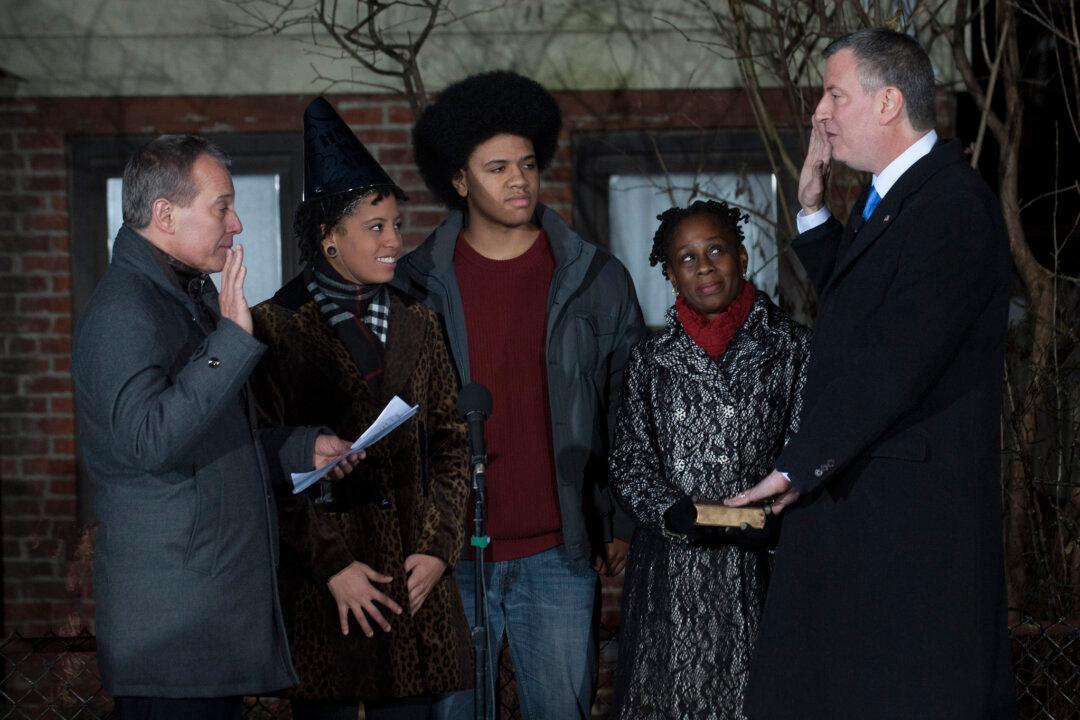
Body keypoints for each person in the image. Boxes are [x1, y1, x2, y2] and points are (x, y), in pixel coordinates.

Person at [727, 28, 1016, 718]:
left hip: (909, 531)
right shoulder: (901, 196)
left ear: (888, 102)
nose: (820, 113)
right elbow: (865, 309)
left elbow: (894, 355)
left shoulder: (950, 205)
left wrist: (798, 466)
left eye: (835, 94)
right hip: (876, 516)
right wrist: (812, 213)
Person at [72, 135, 358, 720]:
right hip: (172, 635)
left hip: (204, 619)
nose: (237, 225)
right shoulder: (125, 310)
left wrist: (304, 447)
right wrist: (230, 341)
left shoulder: (182, 297)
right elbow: (148, 441)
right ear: (165, 214)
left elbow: (211, 436)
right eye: (222, 206)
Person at [395, 70, 646, 719]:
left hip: (556, 551)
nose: (518, 181)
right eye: (497, 167)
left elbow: (629, 403)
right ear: (459, 180)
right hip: (449, 558)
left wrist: (616, 517)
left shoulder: (594, 278)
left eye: (528, 164)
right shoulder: (417, 285)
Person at [248, 98, 472, 720]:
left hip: (411, 585)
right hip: (328, 595)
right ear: (329, 239)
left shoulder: (418, 324)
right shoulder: (273, 329)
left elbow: (452, 441)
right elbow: (263, 460)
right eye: (376, 228)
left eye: (397, 225)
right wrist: (333, 566)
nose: (396, 241)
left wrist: (436, 548)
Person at [608, 200, 810, 719]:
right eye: (688, 258)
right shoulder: (651, 361)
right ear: (672, 275)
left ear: (741, 257)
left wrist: (781, 518)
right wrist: (667, 510)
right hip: (673, 578)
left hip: (762, 569)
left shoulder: (791, 348)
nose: (704, 267)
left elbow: (806, 448)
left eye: (716, 250)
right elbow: (630, 463)